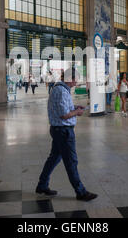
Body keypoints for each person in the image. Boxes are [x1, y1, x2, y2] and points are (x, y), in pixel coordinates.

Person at [36, 68, 97, 202]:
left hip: (58, 130)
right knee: (71, 161)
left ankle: (42, 185)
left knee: (54, 159)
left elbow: (62, 107)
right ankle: (80, 192)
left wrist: (74, 106)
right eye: (75, 79)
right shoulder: (61, 91)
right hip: (63, 131)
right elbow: (64, 115)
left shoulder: (60, 89)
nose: (76, 83)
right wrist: (77, 113)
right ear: (69, 78)